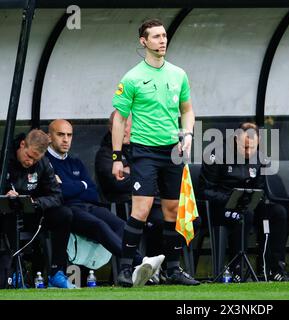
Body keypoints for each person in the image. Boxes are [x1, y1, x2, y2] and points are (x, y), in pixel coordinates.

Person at [111, 19, 199, 286]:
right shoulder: (132, 77)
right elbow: (118, 119)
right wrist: (117, 157)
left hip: (173, 151)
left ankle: (173, 269)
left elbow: (187, 110)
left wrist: (189, 134)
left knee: (173, 209)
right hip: (144, 150)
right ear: (143, 42)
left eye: (164, 36)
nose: (162, 41)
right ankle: (125, 269)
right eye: (156, 37)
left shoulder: (178, 74)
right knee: (143, 207)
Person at [46, 119, 164, 286]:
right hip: (66, 211)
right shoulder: (46, 162)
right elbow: (60, 194)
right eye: (60, 135)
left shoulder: (76, 162)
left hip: (88, 206)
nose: (66, 139)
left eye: (69, 135)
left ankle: (134, 268)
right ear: (49, 137)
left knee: (120, 224)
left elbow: (92, 192)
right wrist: (81, 185)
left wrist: (71, 186)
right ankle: (139, 262)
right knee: (99, 226)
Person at [198, 122, 289, 282]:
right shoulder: (216, 155)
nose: (249, 151)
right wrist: (230, 198)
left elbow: (260, 187)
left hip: (248, 205)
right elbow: (205, 190)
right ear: (236, 140)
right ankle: (237, 269)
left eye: (253, 147)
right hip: (219, 208)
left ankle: (274, 269)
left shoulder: (259, 157)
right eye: (245, 147)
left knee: (278, 213)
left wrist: (257, 198)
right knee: (245, 215)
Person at [1, 129, 75, 288]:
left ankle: (56, 272)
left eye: (35, 159)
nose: (30, 162)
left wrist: (35, 202)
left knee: (65, 214)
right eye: (28, 156)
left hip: (34, 212)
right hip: (8, 214)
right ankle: (14, 272)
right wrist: (5, 194)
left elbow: (56, 195)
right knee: (9, 212)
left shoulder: (43, 163)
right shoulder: (5, 158)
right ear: (22, 145)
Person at [95, 110, 165, 260]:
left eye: (129, 125)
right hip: (125, 207)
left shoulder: (141, 148)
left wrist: (132, 171)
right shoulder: (105, 154)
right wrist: (142, 174)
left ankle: (166, 265)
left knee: (191, 220)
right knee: (162, 222)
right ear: (111, 128)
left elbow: (158, 177)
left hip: (153, 201)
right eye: (121, 125)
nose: (126, 129)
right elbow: (118, 184)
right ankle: (153, 264)